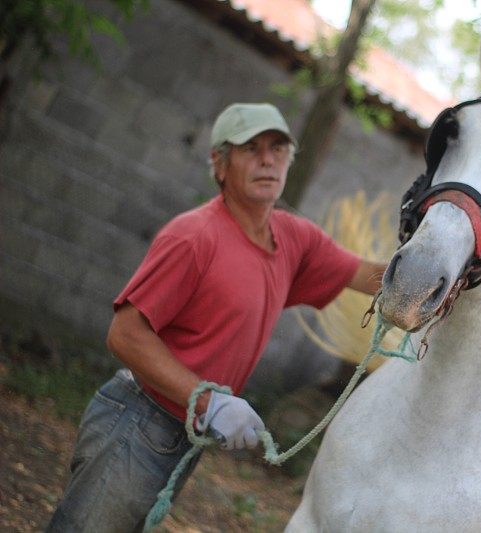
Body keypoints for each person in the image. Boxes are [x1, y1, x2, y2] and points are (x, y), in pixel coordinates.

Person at [46, 102, 386, 532]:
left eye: (278, 148)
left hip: (181, 432)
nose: (268, 159)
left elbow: (369, 276)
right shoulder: (194, 237)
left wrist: (439, 264)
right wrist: (209, 402)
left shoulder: (294, 239)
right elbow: (125, 334)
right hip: (137, 420)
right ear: (219, 165)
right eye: (251, 149)